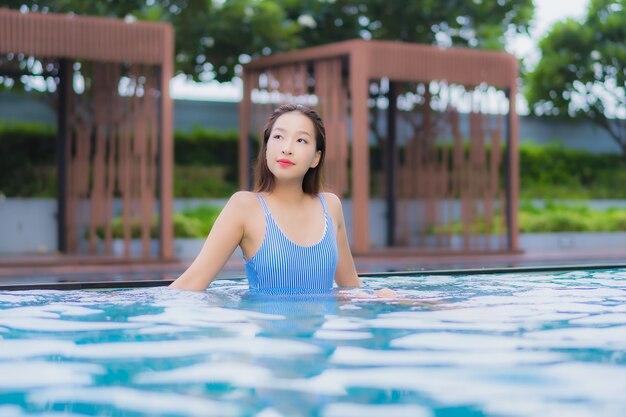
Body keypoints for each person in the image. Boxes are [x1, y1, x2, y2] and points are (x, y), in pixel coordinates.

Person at [170, 103, 366, 293]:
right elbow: (193, 281)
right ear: (266, 149)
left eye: (301, 140)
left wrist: (389, 299)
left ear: (316, 158)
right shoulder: (244, 207)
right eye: (279, 136)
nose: (287, 148)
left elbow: (351, 288)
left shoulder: (331, 206)